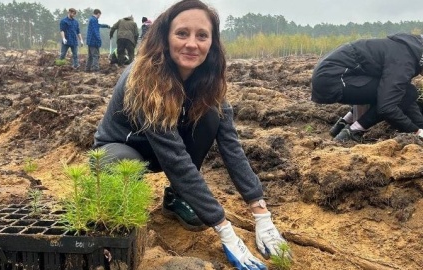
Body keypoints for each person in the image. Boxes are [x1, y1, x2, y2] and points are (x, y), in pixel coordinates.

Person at [93, 1, 288, 269]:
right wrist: (224, 229)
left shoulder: (210, 83)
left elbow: (232, 149)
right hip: (124, 148)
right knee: (117, 165)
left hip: (166, 148)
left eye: (202, 36)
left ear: (212, 43)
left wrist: (261, 213)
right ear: (166, 36)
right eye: (182, 33)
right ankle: (120, 213)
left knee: (210, 117)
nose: (192, 44)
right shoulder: (143, 80)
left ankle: (177, 198)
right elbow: (174, 158)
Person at [311, 33, 423, 142]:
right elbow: (386, 108)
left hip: (329, 76)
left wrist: (420, 126)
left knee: (402, 92)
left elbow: (402, 93)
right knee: (402, 94)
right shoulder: (403, 60)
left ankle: (342, 125)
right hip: (333, 79)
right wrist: (415, 131)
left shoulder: (406, 50)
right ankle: (352, 132)